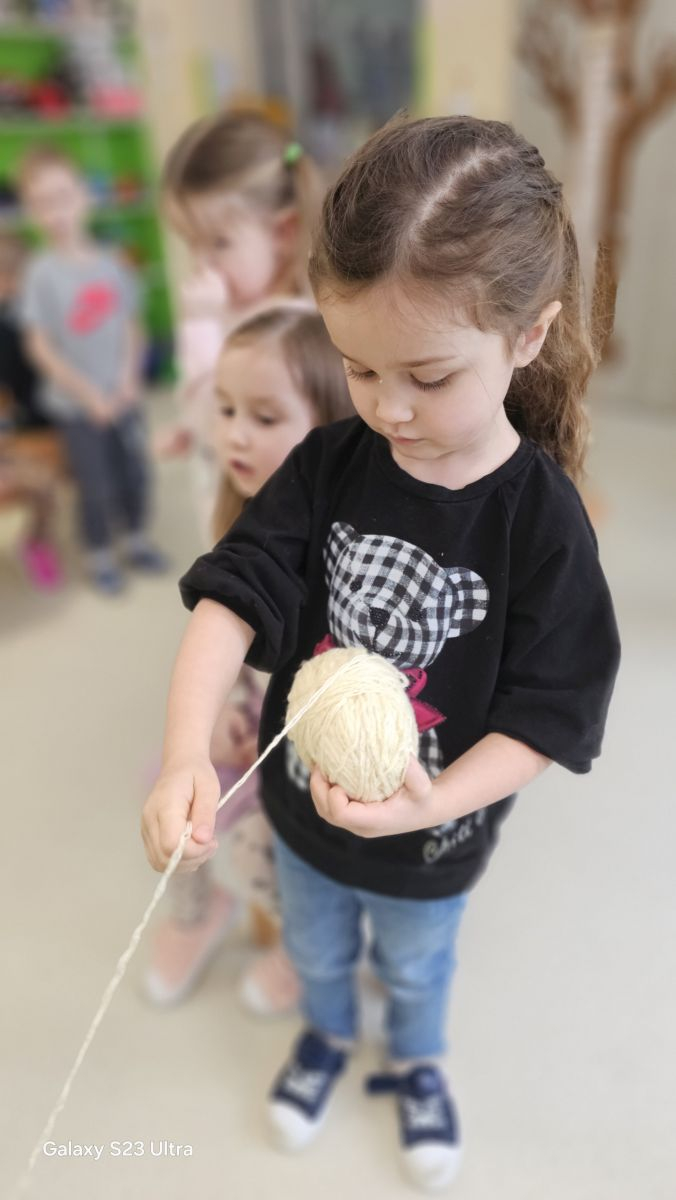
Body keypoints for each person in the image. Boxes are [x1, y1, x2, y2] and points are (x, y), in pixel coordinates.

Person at [141, 115, 621, 1192]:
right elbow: (232, 597)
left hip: (433, 845)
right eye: (358, 367)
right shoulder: (328, 464)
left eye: (428, 376)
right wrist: (183, 754)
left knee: (414, 968)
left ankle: (416, 1062)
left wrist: (430, 803)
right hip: (304, 822)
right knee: (315, 952)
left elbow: (550, 714)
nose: (389, 408)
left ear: (528, 337)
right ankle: (322, 1036)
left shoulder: (540, 525)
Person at [146, 110, 327, 1013]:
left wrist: (203, 339)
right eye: (192, 244)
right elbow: (213, 426)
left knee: (279, 824)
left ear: (282, 229)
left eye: (217, 243)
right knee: (179, 781)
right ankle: (200, 906)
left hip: (297, 621)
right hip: (234, 554)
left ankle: (301, 940)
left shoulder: (314, 333)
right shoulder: (232, 319)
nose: (202, 268)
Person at [17, 145, 166, 594]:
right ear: (31, 212)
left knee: (135, 471)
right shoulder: (39, 274)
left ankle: (136, 538)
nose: (56, 212)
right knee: (95, 484)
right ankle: (98, 552)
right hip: (76, 406)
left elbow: (133, 326)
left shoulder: (113, 262)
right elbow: (39, 347)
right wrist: (87, 395)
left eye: (63, 197)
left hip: (122, 396)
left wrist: (128, 379)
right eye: (43, 203)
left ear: (84, 197)